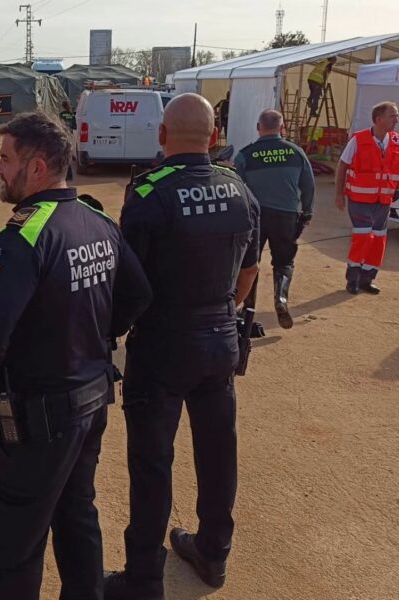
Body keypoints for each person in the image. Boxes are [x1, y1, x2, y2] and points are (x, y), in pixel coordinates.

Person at [0, 112, 152, 600]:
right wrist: (95, 337)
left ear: (38, 167)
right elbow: (137, 295)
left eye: (6, 159)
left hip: (38, 417)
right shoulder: (98, 219)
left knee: (16, 545)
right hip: (90, 401)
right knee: (77, 514)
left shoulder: (24, 234)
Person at [104, 93, 260, 600]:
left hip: (162, 344)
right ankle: (214, 554)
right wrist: (228, 311)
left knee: (152, 462)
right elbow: (252, 267)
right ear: (214, 137)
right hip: (221, 338)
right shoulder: (238, 188)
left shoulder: (149, 192)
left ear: (162, 137)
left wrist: (114, 331)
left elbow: (130, 280)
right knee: (219, 452)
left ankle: (144, 579)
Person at [235, 109, 315, 328]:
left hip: (255, 218)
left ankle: (248, 307)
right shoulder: (296, 153)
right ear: (282, 128)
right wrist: (307, 211)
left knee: (250, 263)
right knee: (284, 261)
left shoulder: (245, 155)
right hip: (286, 217)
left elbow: (238, 188)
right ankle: (281, 299)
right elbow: (308, 186)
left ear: (258, 128)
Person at [334, 101, 399, 294]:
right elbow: (342, 166)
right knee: (362, 237)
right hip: (360, 200)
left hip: (384, 201)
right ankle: (352, 279)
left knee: (378, 240)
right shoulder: (358, 140)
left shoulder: (396, 141)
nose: (396, 119)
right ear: (378, 119)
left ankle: (367, 279)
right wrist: (339, 194)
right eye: (392, 116)